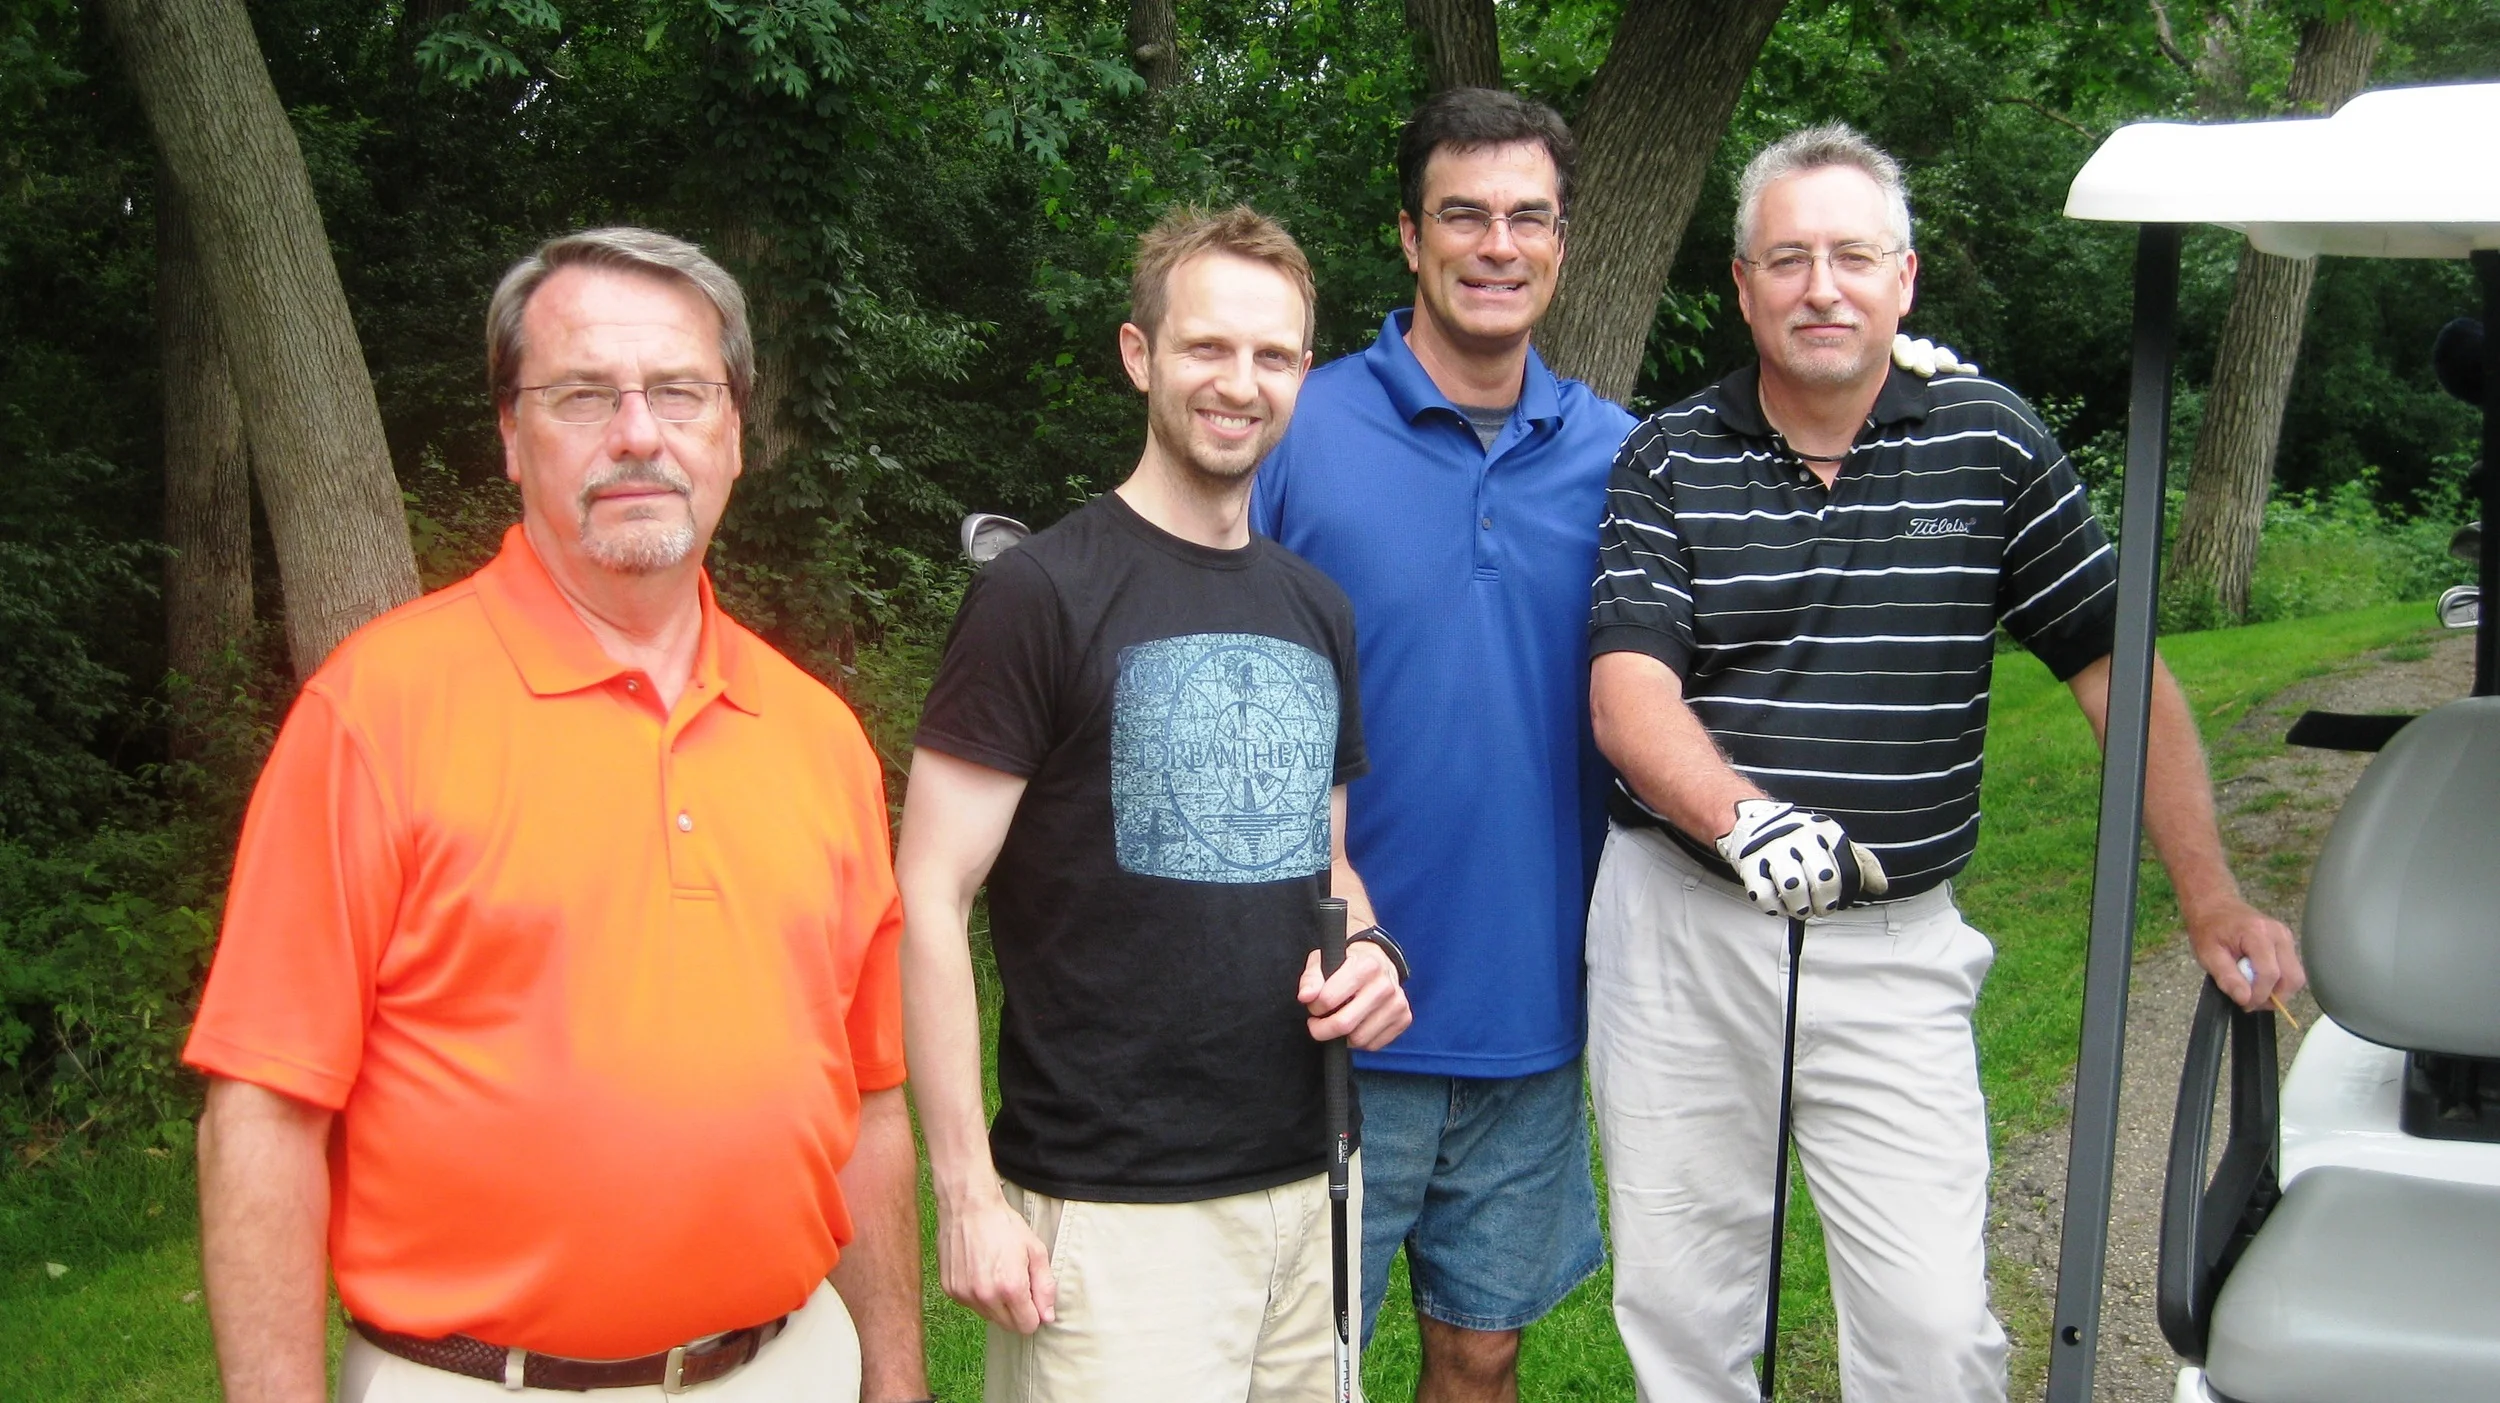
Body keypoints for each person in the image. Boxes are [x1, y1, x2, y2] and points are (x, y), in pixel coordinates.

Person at [1584, 125, 2307, 1403]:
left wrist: (2208, 894)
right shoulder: (1669, 453)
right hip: (1684, 932)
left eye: (1852, 256)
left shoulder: (1991, 441)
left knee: (1929, 1333)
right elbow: (1629, 686)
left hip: (1891, 941)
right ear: (1743, 285)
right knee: (1686, 1315)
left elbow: (2116, 674)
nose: (1822, 286)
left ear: (1902, 279)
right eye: (1789, 258)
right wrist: (1741, 814)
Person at [182, 228, 926, 1403]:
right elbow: (263, 1112)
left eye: (679, 391)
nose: (639, 432)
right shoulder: (376, 713)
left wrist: (893, 1377)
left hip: (792, 1367)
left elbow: (872, 1105)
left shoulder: (818, 735)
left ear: (734, 430)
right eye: (583, 393)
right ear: (512, 440)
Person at [897, 205, 1412, 1401]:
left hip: (1307, 1178)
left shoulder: (1315, 608)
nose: (1240, 384)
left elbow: (1320, 858)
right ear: (1140, 354)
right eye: (1207, 348)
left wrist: (1372, 946)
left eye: (1274, 356)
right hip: (1110, 1207)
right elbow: (929, 890)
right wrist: (966, 1195)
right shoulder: (1040, 594)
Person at [1248, 87, 1629, 1401]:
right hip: (1325, 1005)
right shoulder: (1299, 427)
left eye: (1529, 216)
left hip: (1533, 1004)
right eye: (1464, 214)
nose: (1498, 244)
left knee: (1481, 1351)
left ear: (1563, 243)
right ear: (1410, 237)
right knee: (1304, 1361)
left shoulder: (1620, 460)